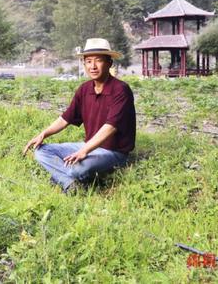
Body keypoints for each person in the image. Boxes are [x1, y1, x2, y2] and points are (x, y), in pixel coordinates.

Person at [22, 38, 136, 194]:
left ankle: (61, 178)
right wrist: (43, 134)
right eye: (88, 62)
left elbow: (110, 127)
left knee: (79, 168)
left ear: (109, 63)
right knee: (41, 151)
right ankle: (70, 183)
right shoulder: (84, 89)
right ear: (84, 64)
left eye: (98, 61)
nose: (93, 66)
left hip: (113, 152)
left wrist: (85, 151)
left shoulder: (121, 90)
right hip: (88, 145)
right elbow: (65, 118)